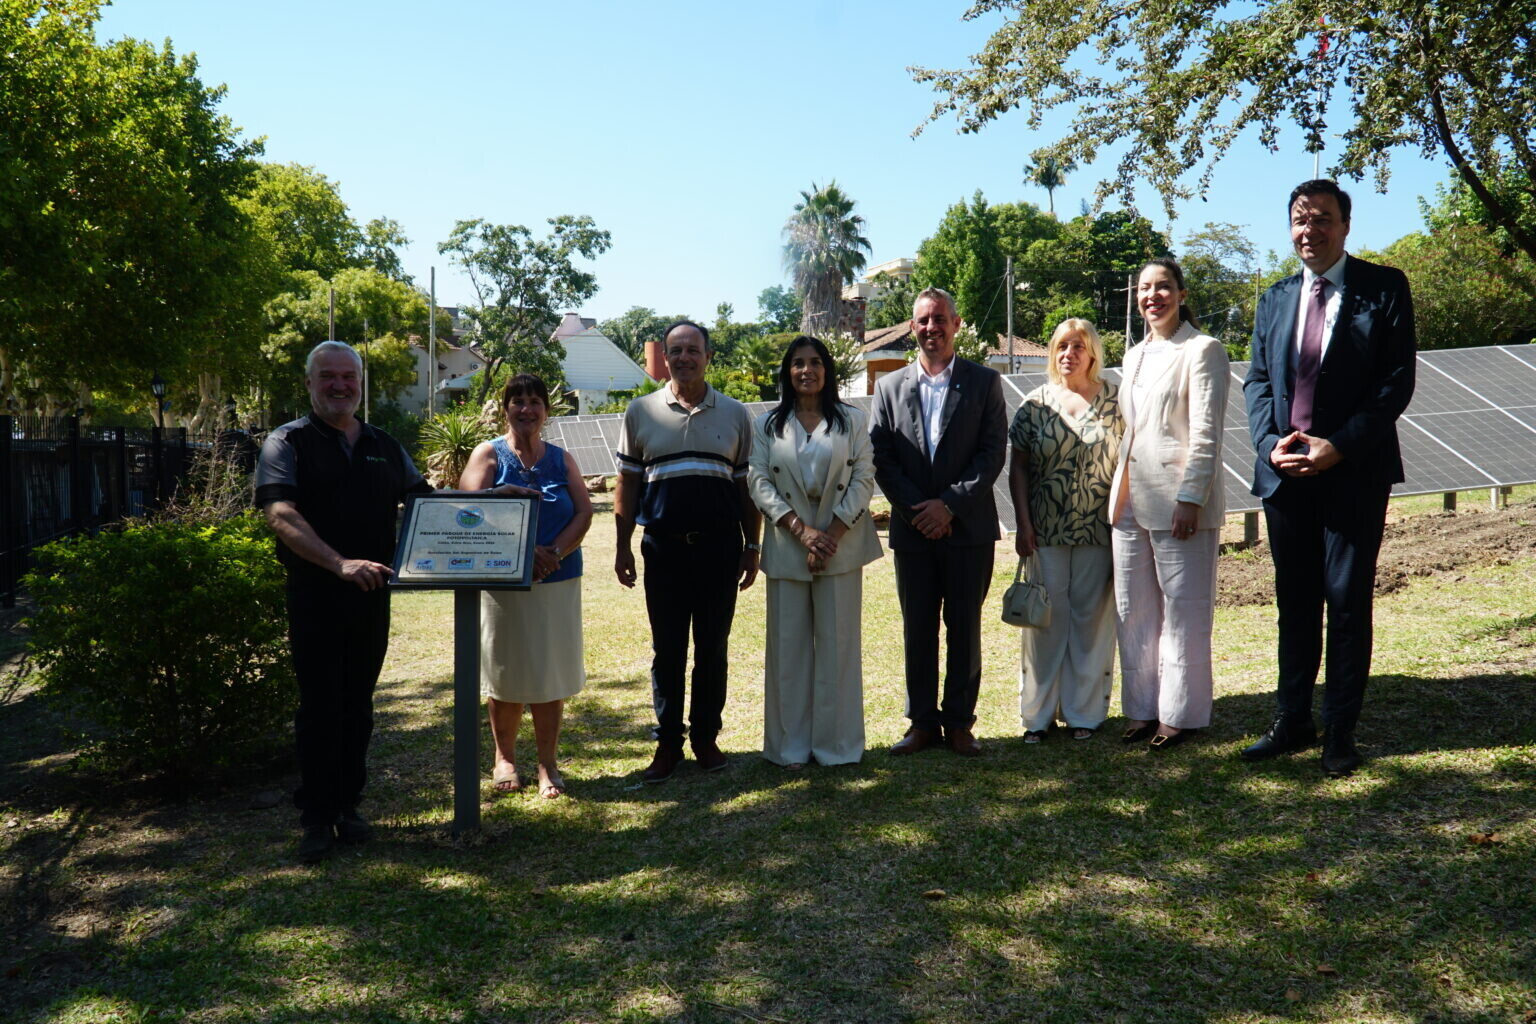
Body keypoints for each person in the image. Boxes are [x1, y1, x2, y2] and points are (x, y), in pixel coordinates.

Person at [256, 342, 530, 863]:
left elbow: (428, 502)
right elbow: (280, 514)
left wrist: (492, 500)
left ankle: (347, 807)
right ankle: (315, 817)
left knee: (358, 705)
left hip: (372, 595)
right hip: (316, 594)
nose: (340, 386)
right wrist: (338, 563)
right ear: (310, 382)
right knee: (319, 707)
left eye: (348, 377)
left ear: (361, 383)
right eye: (328, 377)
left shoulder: (384, 443)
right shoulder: (287, 442)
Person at [1241, 179, 1417, 776]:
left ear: (1345, 225)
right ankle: (1292, 721)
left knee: (1344, 603)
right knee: (1294, 602)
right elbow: (1259, 382)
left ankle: (1340, 732)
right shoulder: (1273, 299)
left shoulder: (1383, 289)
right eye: (1298, 218)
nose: (1308, 229)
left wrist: (1337, 447)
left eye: (1321, 218)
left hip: (1353, 474)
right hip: (1286, 477)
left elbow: (1395, 383)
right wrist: (1268, 446)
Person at [614, 320, 761, 782]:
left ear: (708, 356)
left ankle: (705, 738)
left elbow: (746, 489)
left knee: (713, 649)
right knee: (668, 650)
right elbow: (627, 482)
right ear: (666, 358)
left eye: (692, 349)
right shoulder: (640, 412)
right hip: (663, 551)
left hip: (719, 550)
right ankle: (668, 744)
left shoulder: (736, 414)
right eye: (675, 350)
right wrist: (622, 546)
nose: (683, 358)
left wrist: (752, 545)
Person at [870, 287, 1008, 757]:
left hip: (968, 530)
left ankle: (959, 724)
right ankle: (923, 724)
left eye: (940, 319)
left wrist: (948, 505)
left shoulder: (985, 383)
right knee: (918, 629)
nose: (932, 328)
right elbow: (883, 459)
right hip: (913, 534)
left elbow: (992, 454)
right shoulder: (888, 388)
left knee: (965, 627)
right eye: (924, 320)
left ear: (957, 323)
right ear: (913, 327)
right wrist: (919, 511)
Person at [1108, 259, 1229, 752]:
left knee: (1184, 611)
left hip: (1181, 504)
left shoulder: (1203, 350)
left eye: (1162, 287)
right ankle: (1141, 708)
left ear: (1180, 293)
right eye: (1144, 288)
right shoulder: (1134, 355)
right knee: (1132, 610)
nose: (1152, 296)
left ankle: (1180, 715)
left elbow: (1206, 434)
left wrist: (1190, 498)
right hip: (1130, 499)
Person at [747, 335, 883, 768]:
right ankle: (789, 748)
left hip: (842, 548)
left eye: (816, 362)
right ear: (788, 372)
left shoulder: (852, 420)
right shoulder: (768, 425)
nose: (807, 370)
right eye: (798, 363)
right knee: (787, 652)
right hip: (789, 547)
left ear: (828, 370)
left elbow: (864, 477)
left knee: (838, 650)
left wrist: (831, 535)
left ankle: (838, 747)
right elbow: (758, 481)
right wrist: (802, 532)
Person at [458, 373, 593, 799]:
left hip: (558, 579)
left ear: (545, 411)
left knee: (549, 671)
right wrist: (521, 549)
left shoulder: (561, 458)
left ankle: (547, 764)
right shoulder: (488, 454)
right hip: (504, 583)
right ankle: (505, 758)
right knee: (505, 669)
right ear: (506, 409)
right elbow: (465, 508)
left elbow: (584, 513)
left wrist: (553, 552)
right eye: (518, 401)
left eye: (535, 401)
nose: (527, 409)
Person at [1008, 319, 1124, 743]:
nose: (1068, 354)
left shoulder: (1116, 401)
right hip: (1045, 532)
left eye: (1077, 346)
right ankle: (1037, 718)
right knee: (1044, 625)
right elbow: (1017, 466)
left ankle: (1084, 715)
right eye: (1061, 347)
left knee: (1091, 623)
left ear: (1092, 352)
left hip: (1100, 531)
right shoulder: (1035, 405)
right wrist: (1023, 522)